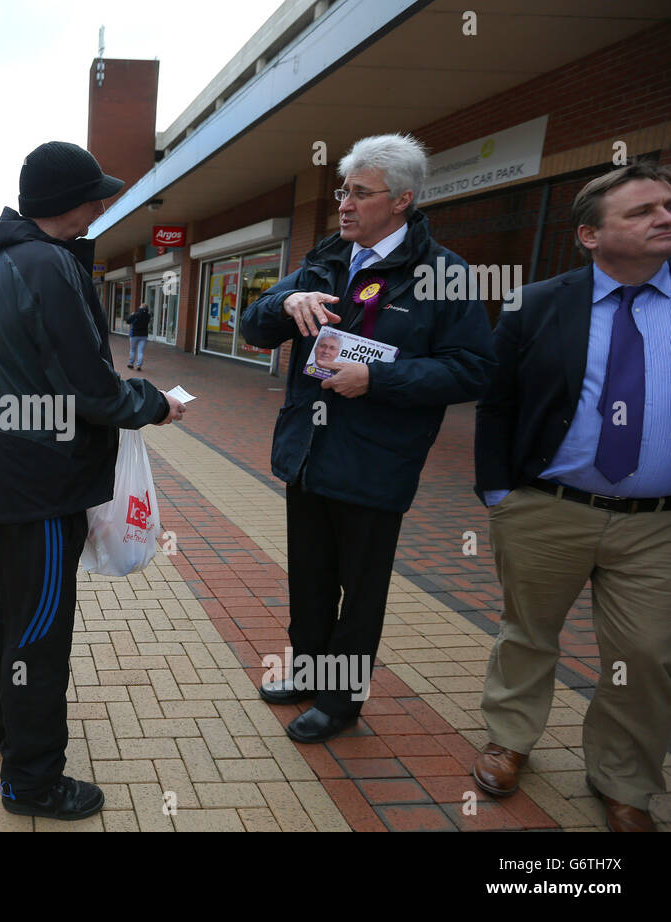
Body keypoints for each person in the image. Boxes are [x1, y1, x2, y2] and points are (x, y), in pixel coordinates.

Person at [239, 133, 495, 743]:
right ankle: (307, 670)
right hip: (308, 451)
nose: (345, 204)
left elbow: (472, 369)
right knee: (310, 573)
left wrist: (378, 379)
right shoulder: (326, 257)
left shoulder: (444, 273)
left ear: (402, 200)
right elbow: (254, 328)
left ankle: (341, 700)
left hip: (377, 462)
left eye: (360, 193)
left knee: (361, 590)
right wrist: (287, 299)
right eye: (342, 191)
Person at [0, 140, 186, 821]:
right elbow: (90, 387)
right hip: (41, 481)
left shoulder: (12, 260)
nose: (104, 201)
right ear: (71, 202)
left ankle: (4, 726)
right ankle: (32, 782)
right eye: (96, 194)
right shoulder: (47, 265)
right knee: (39, 629)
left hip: (10, 476)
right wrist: (155, 404)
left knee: (12, 608)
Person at [472, 161, 671, 833]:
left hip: (656, 523)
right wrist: (501, 494)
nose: (663, 218)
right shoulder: (539, 303)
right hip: (547, 509)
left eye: (665, 206)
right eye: (641, 210)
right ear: (590, 235)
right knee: (528, 634)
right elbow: (497, 405)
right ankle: (510, 740)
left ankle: (624, 779)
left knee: (645, 654)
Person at [127, 303, 151, 370]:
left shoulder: (136, 314)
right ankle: (139, 366)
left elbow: (128, 321)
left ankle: (131, 364)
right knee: (140, 351)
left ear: (141, 307)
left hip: (134, 334)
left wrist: (132, 315)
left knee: (132, 349)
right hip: (144, 335)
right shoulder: (148, 316)